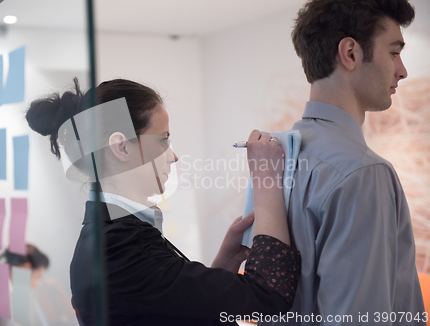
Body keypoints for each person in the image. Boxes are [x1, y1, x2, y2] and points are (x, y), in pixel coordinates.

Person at [26, 78, 301, 325]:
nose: (173, 156)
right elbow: (268, 297)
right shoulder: (121, 246)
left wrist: (224, 264)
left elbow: (169, 309)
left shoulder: (109, 236)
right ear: (121, 147)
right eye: (162, 141)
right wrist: (266, 178)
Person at [267, 0, 425, 325]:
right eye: (394, 52)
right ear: (350, 53)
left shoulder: (274, 159)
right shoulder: (363, 173)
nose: (403, 70)